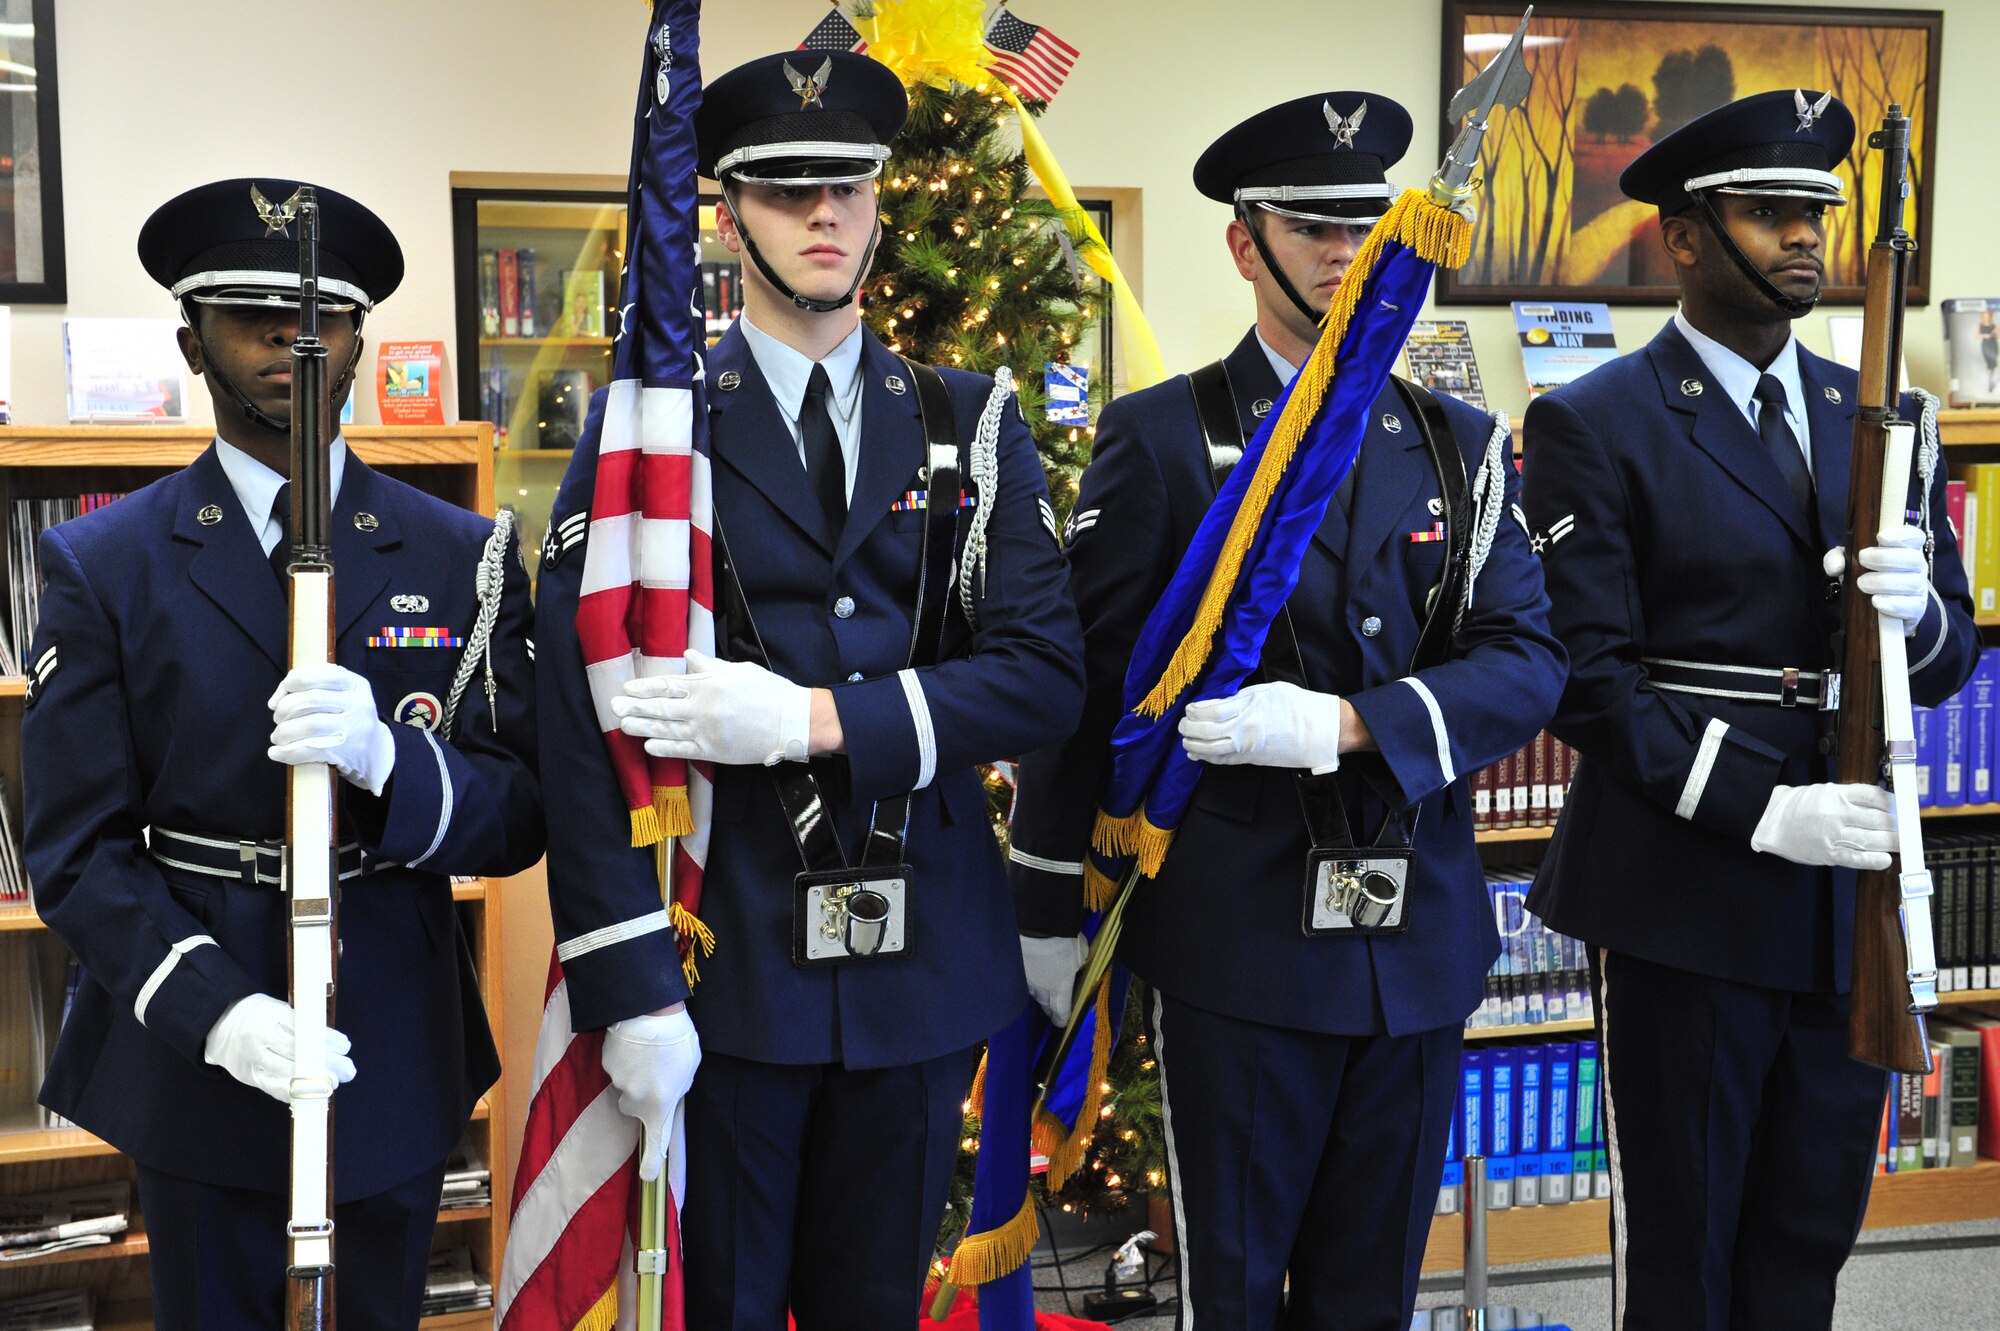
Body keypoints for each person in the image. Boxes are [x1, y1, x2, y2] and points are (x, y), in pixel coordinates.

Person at [532, 52, 1084, 1325]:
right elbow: (578, 730)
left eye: (847, 185)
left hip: (921, 965)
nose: (825, 215)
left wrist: (811, 719)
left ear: (883, 200)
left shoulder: (967, 421)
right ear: (729, 215)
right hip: (721, 967)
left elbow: (1042, 676)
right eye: (788, 191)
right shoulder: (651, 441)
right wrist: (627, 989)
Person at [1007, 91, 1565, 1330]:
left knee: (1368, 1296)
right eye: (1310, 228)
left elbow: (1529, 659)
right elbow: (1090, 687)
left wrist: (1350, 725)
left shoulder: (1457, 441)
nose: (1340, 253)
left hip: (1415, 943)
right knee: (1236, 1292)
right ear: (1243, 243)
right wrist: (1049, 904)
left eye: (1364, 227)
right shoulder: (1162, 438)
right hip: (1239, 943)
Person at [21, 178, 543, 1329]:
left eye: (319, 319)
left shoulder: (462, 553)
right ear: (190, 339)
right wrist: (213, 1009)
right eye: (250, 315)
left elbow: (519, 809)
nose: (287, 343)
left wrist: (390, 764)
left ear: (358, 339)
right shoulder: (107, 565)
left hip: (391, 1030)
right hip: (202, 1036)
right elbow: (74, 847)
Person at [1522, 90, 1978, 1331]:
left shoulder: (1881, 417)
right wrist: (1764, 810)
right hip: (1686, 888)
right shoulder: (1590, 420)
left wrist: (1917, 614)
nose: (1800, 239)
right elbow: (1587, 677)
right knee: (1685, 1250)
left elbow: (1946, 655)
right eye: (1767, 213)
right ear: (1681, 237)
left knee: (1802, 1237)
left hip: (1847, 900)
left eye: (1814, 214)